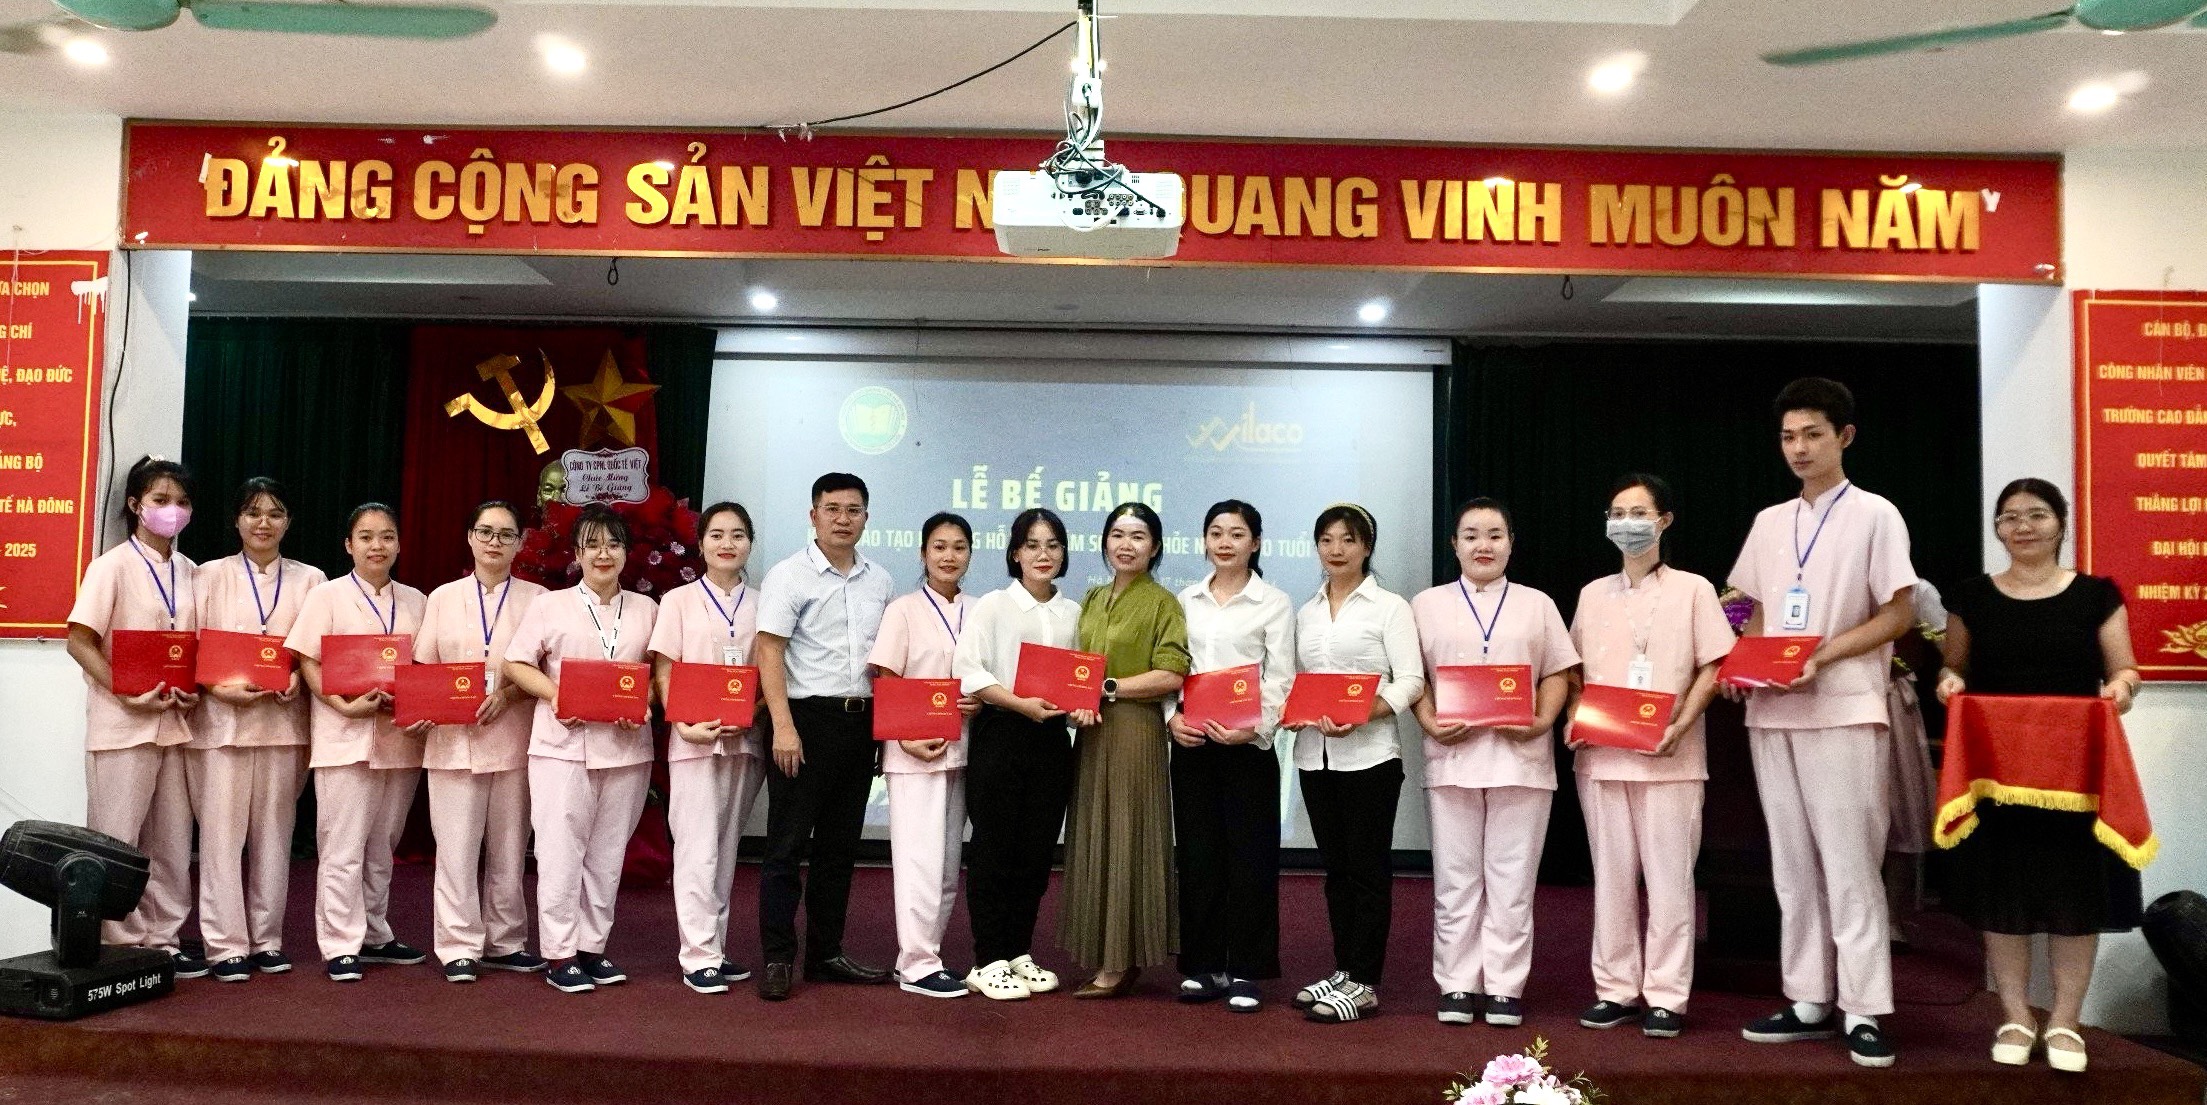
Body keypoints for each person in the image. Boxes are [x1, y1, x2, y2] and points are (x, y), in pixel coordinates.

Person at [1724, 377, 1917, 1068]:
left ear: (1845, 436)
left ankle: (1863, 1006)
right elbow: (1746, 604)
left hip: (1844, 707)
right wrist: (1740, 659)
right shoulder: (1770, 520)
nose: (1798, 448)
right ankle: (1808, 996)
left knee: (1849, 861)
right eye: (1787, 436)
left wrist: (1821, 655)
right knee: (1792, 863)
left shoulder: (1875, 514)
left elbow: (1898, 613)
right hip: (1773, 710)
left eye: (1812, 434)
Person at [1936, 478, 2143, 1075]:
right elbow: (1954, 666)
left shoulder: (2097, 596)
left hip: (2075, 775)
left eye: (2036, 515)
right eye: (2009, 517)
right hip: (1996, 776)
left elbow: (2125, 669)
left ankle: (2065, 1022)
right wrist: (1949, 683)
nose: (2022, 526)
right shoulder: (1971, 597)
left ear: (2061, 522)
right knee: (2005, 892)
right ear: (1997, 529)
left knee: (2075, 893)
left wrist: (2121, 689)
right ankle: (2015, 1016)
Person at [1564, 474, 1732, 1038]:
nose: (1627, 523)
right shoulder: (1592, 594)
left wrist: (1683, 724)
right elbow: (1575, 671)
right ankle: (1615, 990)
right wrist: (1575, 717)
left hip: (1671, 758)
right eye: (1617, 513)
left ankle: (1666, 995)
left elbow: (1715, 665)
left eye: (1638, 513)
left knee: (1669, 882)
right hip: (1602, 757)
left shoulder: (1694, 589)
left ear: (1664, 521)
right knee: (1611, 879)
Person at [1410, 497, 1580, 1029]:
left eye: (1494, 535)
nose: (1483, 545)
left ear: (1511, 543)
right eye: (1471, 535)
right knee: (1455, 879)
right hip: (1453, 756)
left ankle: (1505, 986)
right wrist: (1428, 720)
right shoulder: (1426, 604)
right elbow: (1412, 676)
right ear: (1454, 544)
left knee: (1512, 880)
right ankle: (1457, 983)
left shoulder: (1537, 603)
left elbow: (1558, 671)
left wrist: (1542, 721)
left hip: (1521, 759)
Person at [504, 503, 659, 994]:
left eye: (613, 544)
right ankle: (560, 953)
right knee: (559, 852)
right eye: (592, 545)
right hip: (561, 747)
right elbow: (516, 663)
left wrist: (645, 703)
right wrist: (556, 696)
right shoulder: (550, 606)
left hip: (627, 748)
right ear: (576, 553)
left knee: (608, 854)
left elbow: (657, 675)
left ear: (626, 552)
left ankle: (592, 947)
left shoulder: (647, 610)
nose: (603, 554)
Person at [753, 473, 897, 1000]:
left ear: (866, 517)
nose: (843, 519)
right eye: (832, 509)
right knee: (786, 847)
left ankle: (825, 954)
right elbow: (769, 650)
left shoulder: (879, 580)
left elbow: (884, 662)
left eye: (853, 510)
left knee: (839, 849)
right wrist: (783, 725)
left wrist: (883, 730)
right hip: (804, 721)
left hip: (859, 723)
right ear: (813, 515)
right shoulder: (789, 575)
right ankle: (777, 958)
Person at [64, 455, 204, 978]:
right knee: (118, 838)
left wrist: (194, 687)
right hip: (122, 725)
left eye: (182, 502)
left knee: (171, 841)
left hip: (175, 724)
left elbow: (193, 648)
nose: (173, 510)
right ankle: (120, 940)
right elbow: (80, 641)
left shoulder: (191, 571)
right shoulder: (111, 566)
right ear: (135, 505)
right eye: (161, 500)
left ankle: (164, 937)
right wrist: (126, 691)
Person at [286, 502, 432, 982]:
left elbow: (426, 669)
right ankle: (339, 943)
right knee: (342, 845)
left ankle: (375, 932)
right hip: (344, 736)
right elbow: (307, 661)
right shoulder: (326, 596)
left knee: (382, 845)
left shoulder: (416, 601)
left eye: (387, 536)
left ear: (399, 544)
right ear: (349, 545)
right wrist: (342, 705)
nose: (377, 546)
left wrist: (418, 706)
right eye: (366, 537)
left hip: (399, 739)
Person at [188, 477, 325, 981]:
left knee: (274, 837)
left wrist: (297, 678)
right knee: (220, 839)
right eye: (252, 512)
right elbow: (190, 646)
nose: (263, 522)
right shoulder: (208, 575)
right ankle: (224, 944)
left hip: (284, 726)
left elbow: (316, 650)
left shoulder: (311, 580)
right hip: (220, 725)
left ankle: (267, 939)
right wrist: (214, 686)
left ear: (288, 521)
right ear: (236, 520)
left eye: (274, 513)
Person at [1293, 504, 1424, 1024]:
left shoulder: (1390, 607)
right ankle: (1343, 969)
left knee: (1368, 871)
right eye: (1327, 540)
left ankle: (1365, 982)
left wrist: (1364, 712)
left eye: (1348, 540)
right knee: (1336, 871)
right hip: (1315, 756)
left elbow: (1410, 680)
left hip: (1371, 757)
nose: (1336, 550)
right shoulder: (1307, 611)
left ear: (1367, 547)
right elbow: (1301, 681)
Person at [950, 508, 1082, 1001]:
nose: (1043, 554)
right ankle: (987, 960)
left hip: (1052, 740)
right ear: (1015, 553)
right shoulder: (993, 606)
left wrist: (1081, 705)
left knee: (1036, 851)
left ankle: (1018, 950)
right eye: (1032, 545)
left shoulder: (1073, 613)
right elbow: (969, 670)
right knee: (995, 848)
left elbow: (1080, 679)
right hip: (1002, 731)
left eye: (1052, 545)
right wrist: (1019, 703)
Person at [415, 501, 548, 983]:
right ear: (470, 537)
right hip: (452, 741)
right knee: (455, 849)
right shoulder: (442, 598)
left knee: (510, 849)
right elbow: (424, 666)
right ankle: (458, 946)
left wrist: (508, 695)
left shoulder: (539, 599)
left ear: (520, 543)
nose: (495, 542)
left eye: (506, 534)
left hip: (515, 739)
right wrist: (426, 706)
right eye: (486, 532)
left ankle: (506, 941)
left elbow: (547, 670)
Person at [1170, 500, 1294, 1013]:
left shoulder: (1274, 603)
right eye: (1216, 533)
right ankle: (1204, 964)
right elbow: (1172, 668)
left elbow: (1281, 678)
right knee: (1198, 857)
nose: (1225, 542)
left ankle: (1246, 968)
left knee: (1250, 859)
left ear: (1255, 543)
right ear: (1204, 541)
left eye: (1237, 534)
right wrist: (1171, 718)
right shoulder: (1185, 600)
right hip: (1194, 743)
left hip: (1247, 749)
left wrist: (1254, 728)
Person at [1062, 502, 1190, 998]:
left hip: (1136, 730)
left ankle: (1120, 960)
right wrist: (1078, 699)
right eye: (1117, 535)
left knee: (1129, 835)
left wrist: (1107, 688)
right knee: (1095, 833)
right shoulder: (1093, 598)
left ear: (1154, 547)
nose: (1126, 545)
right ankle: (1104, 950)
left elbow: (1172, 673)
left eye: (1138, 537)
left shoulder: (1163, 602)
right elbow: (1077, 669)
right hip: (1091, 731)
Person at [647, 501, 771, 995]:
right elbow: (664, 669)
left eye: (738, 535)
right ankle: (697, 954)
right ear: (700, 544)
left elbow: (772, 673)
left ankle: (714, 946)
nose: (727, 544)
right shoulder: (677, 601)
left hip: (744, 740)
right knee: (696, 848)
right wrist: (681, 722)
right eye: (716, 534)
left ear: (750, 544)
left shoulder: (764, 602)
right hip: (694, 739)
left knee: (724, 849)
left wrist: (752, 713)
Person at [866, 512, 981, 999]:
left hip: (965, 748)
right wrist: (903, 738)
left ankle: (924, 956)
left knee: (948, 865)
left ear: (970, 554)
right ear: (922, 553)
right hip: (914, 751)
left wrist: (981, 699)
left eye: (958, 547)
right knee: (919, 862)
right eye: (939, 546)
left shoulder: (981, 609)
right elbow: (885, 679)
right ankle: (916, 963)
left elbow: (990, 676)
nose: (949, 556)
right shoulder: (903, 610)